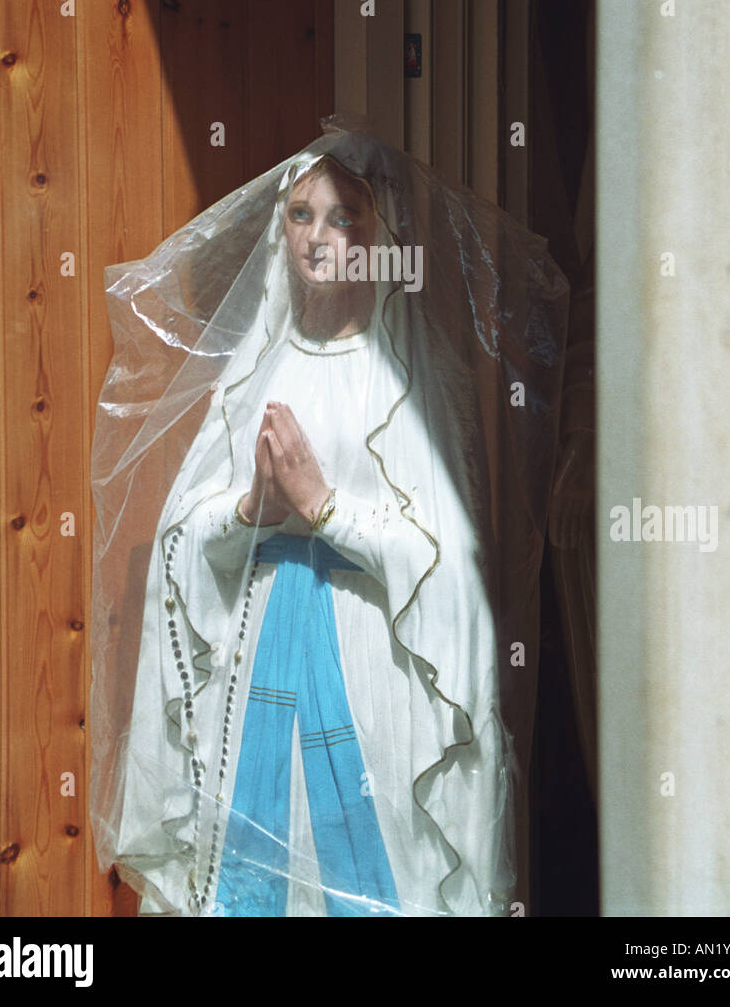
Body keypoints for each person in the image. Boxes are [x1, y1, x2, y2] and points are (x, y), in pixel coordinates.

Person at [90, 119, 567, 917]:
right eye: (301, 215)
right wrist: (250, 511)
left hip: (372, 659)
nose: (320, 237)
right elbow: (184, 538)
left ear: (383, 233)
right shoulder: (255, 371)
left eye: (344, 215)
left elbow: (451, 566)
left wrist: (328, 512)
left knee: (359, 856)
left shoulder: (416, 382)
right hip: (257, 652)